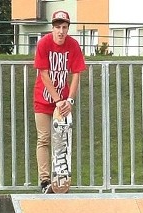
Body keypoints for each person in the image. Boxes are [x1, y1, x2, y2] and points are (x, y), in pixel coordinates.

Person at [33, 10, 86, 193]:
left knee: (61, 141)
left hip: (63, 103)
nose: (61, 31)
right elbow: (44, 74)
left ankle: (60, 179)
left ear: (68, 28)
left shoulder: (73, 45)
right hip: (43, 99)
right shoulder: (44, 43)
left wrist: (69, 100)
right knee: (44, 138)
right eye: (57, 27)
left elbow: (76, 74)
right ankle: (45, 180)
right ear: (52, 28)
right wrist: (57, 99)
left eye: (64, 27)